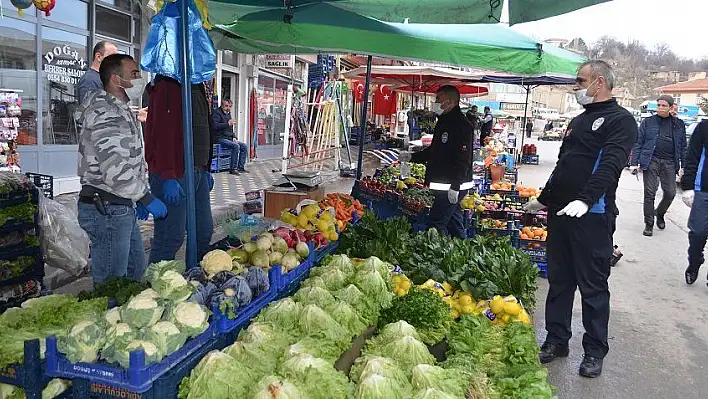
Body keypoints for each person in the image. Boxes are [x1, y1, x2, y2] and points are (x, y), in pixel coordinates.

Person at [524, 60, 637, 378]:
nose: (576, 87)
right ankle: (557, 340)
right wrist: (544, 198)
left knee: (593, 286)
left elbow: (610, 165)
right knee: (559, 282)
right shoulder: (577, 121)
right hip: (560, 213)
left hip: (593, 216)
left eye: (580, 81)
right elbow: (564, 165)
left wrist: (585, 201)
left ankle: (594, 351)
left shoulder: (621, 121)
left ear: (599, 82)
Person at [75, 54, 167, 285]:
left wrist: (136, 196)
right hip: (106, 207)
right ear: (116, 79)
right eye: (134, 74)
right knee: (111, 285)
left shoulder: (120, 108)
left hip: (119, 204)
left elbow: (131, 159)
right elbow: (115, 170)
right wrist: (145, 197)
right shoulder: (105, 112)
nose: (139, 79)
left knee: (135, 274)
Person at [144, 76, 215, 264]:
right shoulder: (167, 84)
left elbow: (203, 127)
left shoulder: (198, 85)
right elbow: (160, 132)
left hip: (197, 171)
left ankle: (195, 278)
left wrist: (206, 167)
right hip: (175, 173)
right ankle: (155, 287)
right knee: (170, 237)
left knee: (203, 232)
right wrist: (167, 175)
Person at [405, 85, 473, 238]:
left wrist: (455, 187)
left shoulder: (461, 125)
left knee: (436, 223)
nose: (435, 102)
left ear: (450, 101)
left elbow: (464, 159)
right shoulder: (444, 122)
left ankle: (438, 253)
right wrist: (412, 157)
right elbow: (435, 150)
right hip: (444, 184)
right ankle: (462, 248)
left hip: (453, 184)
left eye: (438, 99)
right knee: (454, 222)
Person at [629, 95, 686, 236]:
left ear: (671, 107)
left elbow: (683, 147)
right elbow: (638, 143)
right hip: (651, 160)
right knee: (649, 193)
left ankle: (659, 213)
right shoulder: (648, 122)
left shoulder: (678, 124)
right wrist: (634, 163)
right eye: (658, 105)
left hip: (670, 162)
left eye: (664, 106)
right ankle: (649, 224)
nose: (660, 108)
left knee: (670, 193)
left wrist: (684, 166)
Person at [680, 120, 708, 285]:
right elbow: (692, 156)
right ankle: (695, 261)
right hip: (703, 189)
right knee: (698, 233)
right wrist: (688, 186)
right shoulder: (704, 127)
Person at [212, 99, 249, 175]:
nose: (228, 108)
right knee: (235, 146)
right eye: (226, 106)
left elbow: (230, 128)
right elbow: (215, 126)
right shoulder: (216, 113)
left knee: (244, 146)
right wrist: (227, 124)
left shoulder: (228, 113)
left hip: (228, 137)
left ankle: (240, 167)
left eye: (229, 106)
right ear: (222, 105)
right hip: (219, 137)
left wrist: (234, 136)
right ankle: (233, 169)